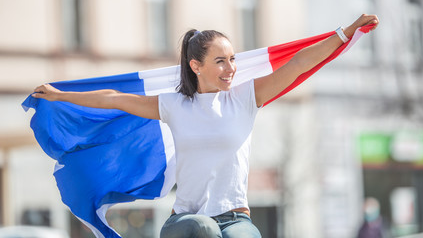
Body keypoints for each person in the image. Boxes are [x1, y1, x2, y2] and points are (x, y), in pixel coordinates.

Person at [32, 14, 379, 238]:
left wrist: (344, 32)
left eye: (232, 59)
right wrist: (60, 96)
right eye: (221, 61)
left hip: (236, 219)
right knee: (203, 230)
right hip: (186, 223)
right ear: (196, 66)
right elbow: (113, 98)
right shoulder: (175, 105)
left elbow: (300, 62)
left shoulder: (245, 98)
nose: (231, 68)